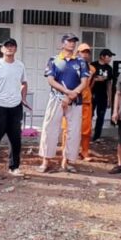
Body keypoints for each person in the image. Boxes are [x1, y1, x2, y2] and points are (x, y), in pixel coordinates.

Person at [38, 33, 90, 173]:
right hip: (56, 98)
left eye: (74, 41)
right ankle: (45, 161)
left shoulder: (80, 62)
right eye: (69, 41)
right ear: (63, 43)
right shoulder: (54, 60)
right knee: (50, 129)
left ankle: (68, 161)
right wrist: (67, 93)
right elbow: (51, 80)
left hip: (76, 100)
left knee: (73, 132)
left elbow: (84, 82)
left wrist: (73, 94)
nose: (72, 44)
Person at [0, 38, 28, 178]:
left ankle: (14, 166)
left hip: (15, 107)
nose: (9, 48)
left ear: (16, 49)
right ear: (2, 49)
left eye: (12, 46)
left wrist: (23, 98)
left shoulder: (20, 65)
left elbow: (24, 83)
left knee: (16, 139)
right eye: (7, 46)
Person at [91, 49, 115, 141]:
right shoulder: (93, 65)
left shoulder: (109, 68)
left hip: (103, 95)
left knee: (101, 117)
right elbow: (86, 80)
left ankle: (97, 136)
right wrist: (96, 79)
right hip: (92, 94)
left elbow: (109, 84)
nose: (110, 59)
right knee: (89, 115)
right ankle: (86, 134)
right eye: (109, 56)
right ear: (102, 56)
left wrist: (109, 98)